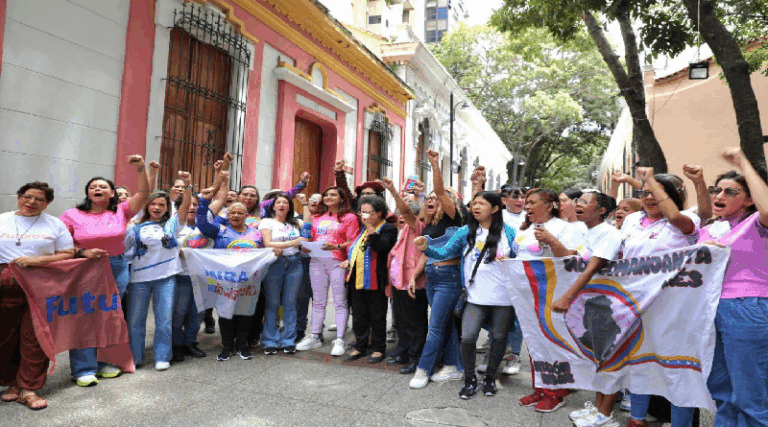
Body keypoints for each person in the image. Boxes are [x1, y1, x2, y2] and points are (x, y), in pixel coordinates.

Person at [619, 167, 700, 427]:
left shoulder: (686, 219)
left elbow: (675, 217)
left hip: (675, 306)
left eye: (656, 193)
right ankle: (637, 419)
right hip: (636, 304)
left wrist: (650, 178)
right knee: (640, 364)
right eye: (644, 193)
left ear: (673, 196)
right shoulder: (632, 221)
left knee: (678, 369)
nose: (649, 198)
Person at [59, 155, 150, 386]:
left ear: (112, 193)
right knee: (84, 317)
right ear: (88, 193)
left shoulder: (121, 211)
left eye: (103, 186)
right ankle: (83, 368)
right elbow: (61, 244)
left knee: (108, 315)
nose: (97, 188)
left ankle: (103, 363)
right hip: (84, 269)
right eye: (92, 187)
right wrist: (82, 253)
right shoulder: (72, 215)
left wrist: (141, 168)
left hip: (117, 267)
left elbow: (144, 193)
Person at [417, 191, 518, 399]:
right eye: (474, 204)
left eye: (482, 204)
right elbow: (444, 252)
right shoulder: (465, 231)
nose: (476, 207)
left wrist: (511, 260)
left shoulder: (509, 233)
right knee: (468, 337)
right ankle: (470, 379)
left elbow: (521, 262)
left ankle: (490, 377)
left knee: (499, 338)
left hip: (503, 300)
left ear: (495, 208)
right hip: (474, 298)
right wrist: (427, 248)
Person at [699, 148, 768, 427]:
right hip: (711, 310)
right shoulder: (710, 229)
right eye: (718, 190)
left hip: (746, 307)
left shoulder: (758, 222)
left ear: (749, 199)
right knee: (722, 390)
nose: (719, 196)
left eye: (731, 192)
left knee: (751, 393)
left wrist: (742, 161)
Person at [549, 192, 623, 427]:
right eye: (577, 201)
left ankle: (606, 414)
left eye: (584, 202)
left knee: (610, 358)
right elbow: (575, 258)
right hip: (590, 304)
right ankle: (598, 407)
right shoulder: (586, 232)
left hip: (606, 303)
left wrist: (567, 297)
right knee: (598, 358)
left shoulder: (609, 233)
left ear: (601, 210)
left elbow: (592, 268)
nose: (578, 205)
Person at [0, 182, 75, 410]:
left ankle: (29, 387)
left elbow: (69, 252)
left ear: (47, 203)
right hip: (6, 284)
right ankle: (12, 383)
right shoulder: (2, 219)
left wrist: (38, 260)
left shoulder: (55, 224)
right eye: (27, 197)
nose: (31, 202)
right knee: (6, 335)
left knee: (35, 337)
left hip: (41, 285)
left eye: (39, 199)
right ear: (19, 197)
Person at [516, 188, 584, 412]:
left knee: (553, 342)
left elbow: (570, 257)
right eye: (526, 202)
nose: (526, 206)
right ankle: (539, 388)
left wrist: (552, 241)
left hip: (553, 294)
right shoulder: (525, 229)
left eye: (532, 202)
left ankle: (556, 393)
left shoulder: (566, 228)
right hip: (528, 295)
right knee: (534, 341)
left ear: (549, 205)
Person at [409, 150, 466, 389]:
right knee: (445, 325)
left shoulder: (455, 219)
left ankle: (423, 369)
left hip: (448, 278)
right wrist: (415, 276)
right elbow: (425, 254)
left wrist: (434, 166)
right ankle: (455, 367)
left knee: (434, 327)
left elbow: (441, 191)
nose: (435, 198)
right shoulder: (432, 225)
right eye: (430, 197)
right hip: (432, 277)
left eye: (440, 196)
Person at [124, 172, 192, 371]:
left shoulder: (171, 226)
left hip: (166, 278)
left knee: (164, 320)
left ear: (166, 208)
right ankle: (135, 356)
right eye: (153, 204)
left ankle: (162, 355)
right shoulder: (133, 227)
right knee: (136, 321)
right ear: (146, 206)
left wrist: (187, 187)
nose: (156, 208)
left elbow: (184, 209)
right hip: (138, 279)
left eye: (162, 205)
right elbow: (126, 252)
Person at [196, 188, 270, 361]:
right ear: (227, 215)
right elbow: (201, 224)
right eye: (232, 212)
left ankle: (243, 346)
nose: (236, 215)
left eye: (240, 212)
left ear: (246, 216)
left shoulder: (256, 233)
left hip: (248, 281)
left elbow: (264, 253)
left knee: (245, 313)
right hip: (225, 280)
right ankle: (227, 347)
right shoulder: (219, 230)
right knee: (225, 313)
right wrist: (203, 203)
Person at [295, 186, 358, 356]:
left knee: (340, 301)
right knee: (318, 301)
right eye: (326, 195)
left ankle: (339, 339)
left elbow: (353, 241)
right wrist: (307, 247)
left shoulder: (349, 217)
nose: (329, 197)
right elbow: (310, 238)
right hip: (316, 262)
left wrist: (337, 246)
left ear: (342, 198)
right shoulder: (316, 217)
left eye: (333, 194)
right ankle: (315, 336)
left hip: (338, 262)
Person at [340, 196, 397, 364]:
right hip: (356, 278)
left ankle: (379, 348)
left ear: (379, 213)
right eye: (361, 212)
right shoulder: (362, 229)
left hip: (376, 278)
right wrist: (349, 261)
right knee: (359, 314)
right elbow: (358, 250)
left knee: (377, 315)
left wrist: (371, 227)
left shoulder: (388, 228)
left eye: (367, 212)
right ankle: (360, 345)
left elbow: (382, 247)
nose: (363, 216)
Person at [381, 178, 428, 375]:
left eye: (405, 213)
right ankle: (404, 350)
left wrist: (393, 191)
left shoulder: (417, 228)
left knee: (415, 322)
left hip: (414, 283)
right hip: (398, 284)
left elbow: (408, 212)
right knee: (400, 320)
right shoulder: (399, 233)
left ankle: (417, 358)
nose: (401, 216)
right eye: (398, 213)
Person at [260, 193, 306, 355]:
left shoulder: (295, 223)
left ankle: (288, 340)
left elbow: (308, 226)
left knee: (290, 303)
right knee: (272, 303)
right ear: (273, 206)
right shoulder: (267, 222)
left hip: (295, 263)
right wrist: (293, 243)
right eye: (278, 202)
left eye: (285, 202)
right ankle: (270, 341)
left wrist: (305, 204)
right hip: (275, 263)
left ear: (289, 207)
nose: (282, 205)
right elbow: (267, 243)